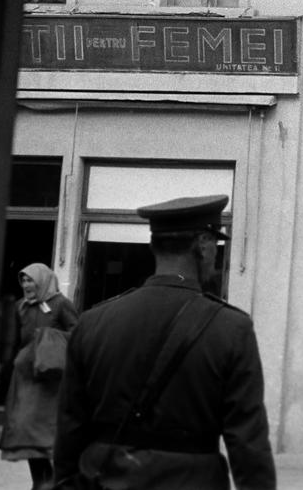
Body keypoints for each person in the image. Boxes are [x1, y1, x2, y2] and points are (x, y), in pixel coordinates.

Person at [53, 195, 275, 490]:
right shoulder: (232, 328)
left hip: (106, 479)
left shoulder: (93, 322)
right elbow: (248, 444)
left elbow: (70, 430)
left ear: (153, 245)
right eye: (216, 247)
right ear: (204, 245)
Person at [0, 263, 78, 490]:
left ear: (42, 280)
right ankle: (40, 481)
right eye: (23, 281)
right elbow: (11, 341)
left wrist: (48, 338)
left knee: (46, 433)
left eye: (30, 280)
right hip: (25, 377)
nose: (25, 285)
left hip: (50, 380)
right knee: (26, 430)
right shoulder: (20, 307)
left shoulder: (61, 304)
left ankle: (51, 481)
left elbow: (77, 335)